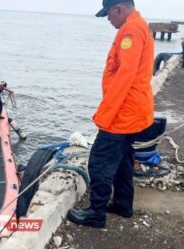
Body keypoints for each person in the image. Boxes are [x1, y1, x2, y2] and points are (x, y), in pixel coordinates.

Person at [67, 0, 154, 228]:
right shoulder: (138, 25)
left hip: (123, 113)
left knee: (99, 161)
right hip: (134, 110)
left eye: (108, 14)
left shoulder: (131, 30)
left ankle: (96, 214)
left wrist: (105, 115)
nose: (108, 19)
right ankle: (123, 204)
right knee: (123, 159)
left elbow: (124, 76)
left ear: (119, 9)